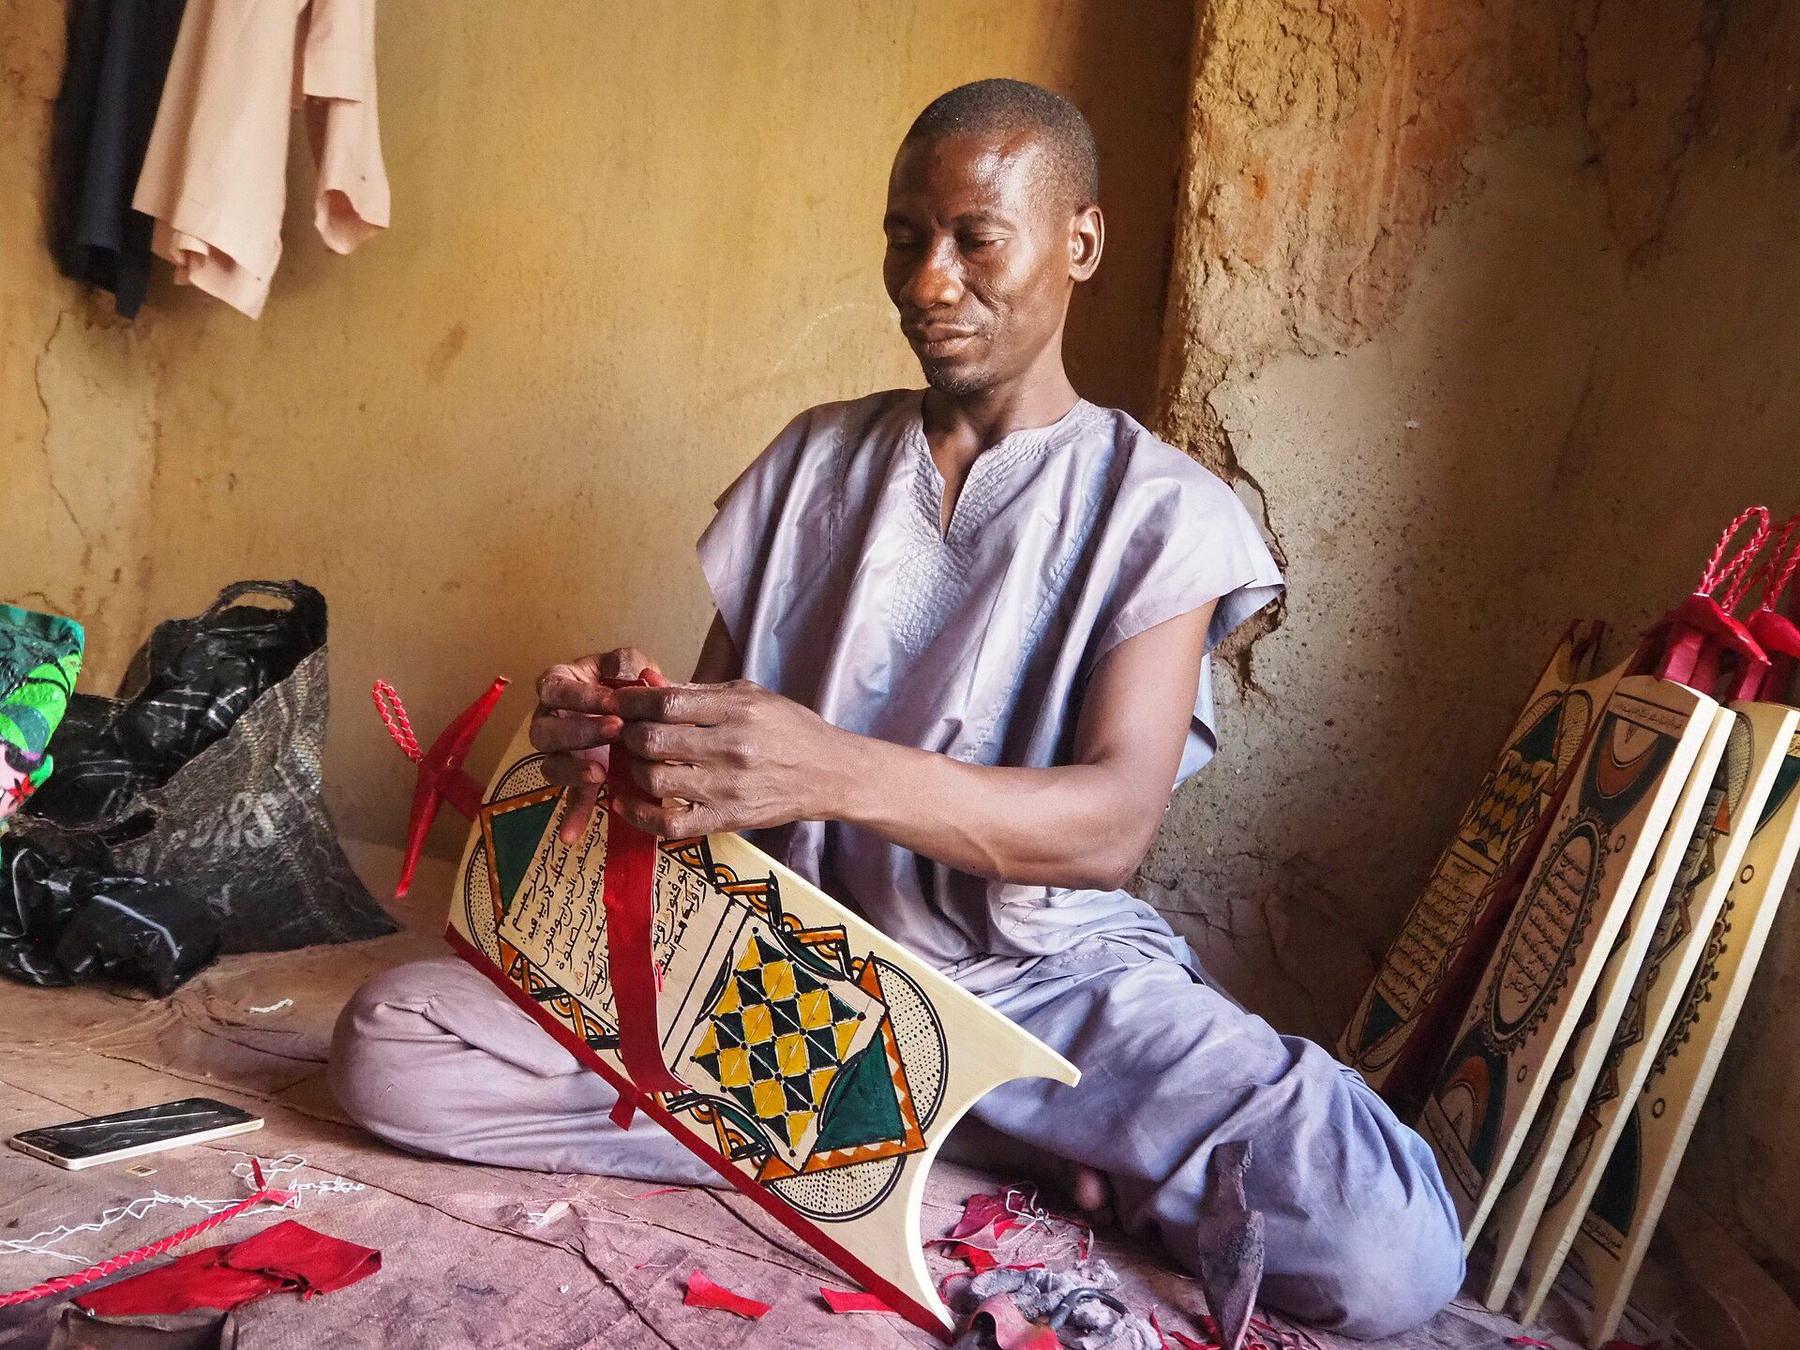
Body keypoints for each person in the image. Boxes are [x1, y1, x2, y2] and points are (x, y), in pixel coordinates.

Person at [331, 79, 1464, 1337]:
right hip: (790, 976)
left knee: (1382, 1245)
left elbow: (1108, 828)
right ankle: (947, 1153)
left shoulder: (1161, 510)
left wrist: (828, 769)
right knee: (400, 1050)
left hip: (1044, 985)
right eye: (903, 237)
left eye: (976, 239)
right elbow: (711, 778)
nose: (928, 282)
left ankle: (887, 1145)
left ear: (1078, 243)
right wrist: (627, 740)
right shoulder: (813, 461)